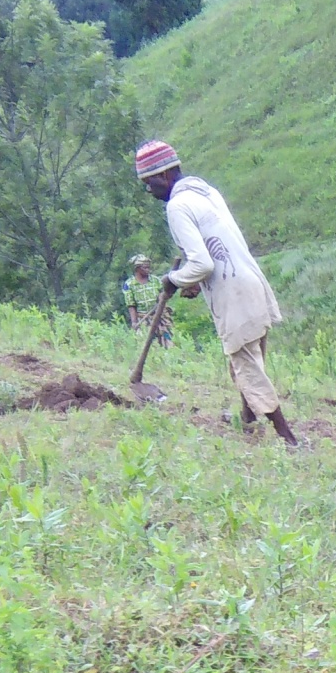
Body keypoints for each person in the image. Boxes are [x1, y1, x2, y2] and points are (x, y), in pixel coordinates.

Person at [134, 141, 297, 446]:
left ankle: (288, 439)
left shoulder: (177, 206)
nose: (149, 192)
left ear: (164, 176)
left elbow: (202, 262)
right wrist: (192, 281)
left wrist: (174, 280)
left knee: (247, 368)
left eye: (149, 184)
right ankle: (248, 421)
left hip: (233, 294)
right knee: (248, 360)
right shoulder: (207, 193)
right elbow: (211, 250)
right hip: (252, 282)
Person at [122, 255, 172, 346]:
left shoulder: (156, 280)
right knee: (145, 344)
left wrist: (162, 298)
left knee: (167, 342)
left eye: (149, 267)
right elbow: (131, 305)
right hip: (143, 319)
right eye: (145, 267)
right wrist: (134, 322)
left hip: (160, 317)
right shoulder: (129, 284)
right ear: (137, 269)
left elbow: (163, 294)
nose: (148, 269)